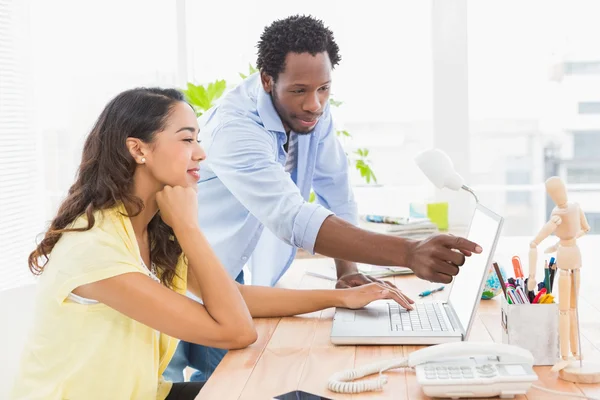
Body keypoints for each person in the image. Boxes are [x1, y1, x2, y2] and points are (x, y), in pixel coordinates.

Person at [10, 88, 414, 400]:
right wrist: (189, 227)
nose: (201, 153)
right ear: (138, 149)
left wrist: (338, 298)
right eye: (187, 139)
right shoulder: (96, 249)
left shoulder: (146, 228)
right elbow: (237, 330)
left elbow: (235, 297)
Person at [165, 15, 481, 383]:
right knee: (220, 380)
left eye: (323, 89)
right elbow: (292, 218)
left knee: (235, 376)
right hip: (187, 270)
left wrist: (347, 272)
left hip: (236, 276)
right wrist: (408, 253)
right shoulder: (236, 128)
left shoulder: (309, 112)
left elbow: (336, 190)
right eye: (299, 90)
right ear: (268, 80)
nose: (314, 104)